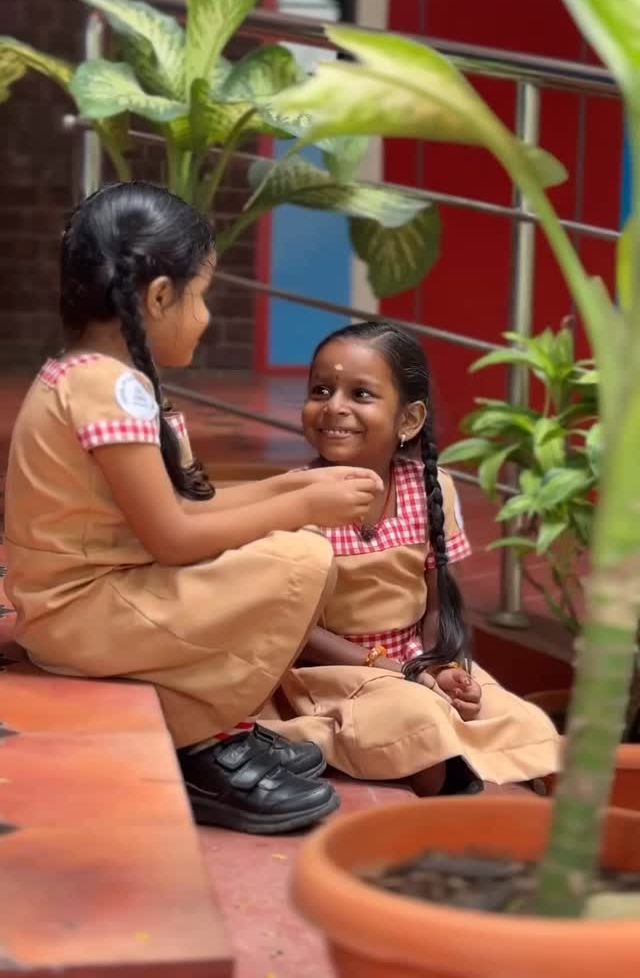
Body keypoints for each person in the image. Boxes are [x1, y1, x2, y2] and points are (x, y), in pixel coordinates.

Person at [3, 181, 386, 834]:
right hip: (83, 614)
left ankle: (220, 726)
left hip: (90, 601)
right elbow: (175, 537)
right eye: (202, 294)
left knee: (288, 548)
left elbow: (182, 506)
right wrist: (300, 510)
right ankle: (203, 741)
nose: (206, 315)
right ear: (158, 297)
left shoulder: (94, 377)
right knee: (296, 561)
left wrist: (294, 489)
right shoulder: (111, 389)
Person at [259, 322, 559, 795]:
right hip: (332, 671)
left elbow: (439, 605)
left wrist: (442, 667)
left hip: (416, 661)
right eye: (321, 389)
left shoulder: (431, 489)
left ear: (409, 420)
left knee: (521, 721)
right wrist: (391, 670)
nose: (334, 406)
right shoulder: (294, 499)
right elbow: (297, 629)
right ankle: (431, 808)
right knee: (421, 722)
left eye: (360, 394)